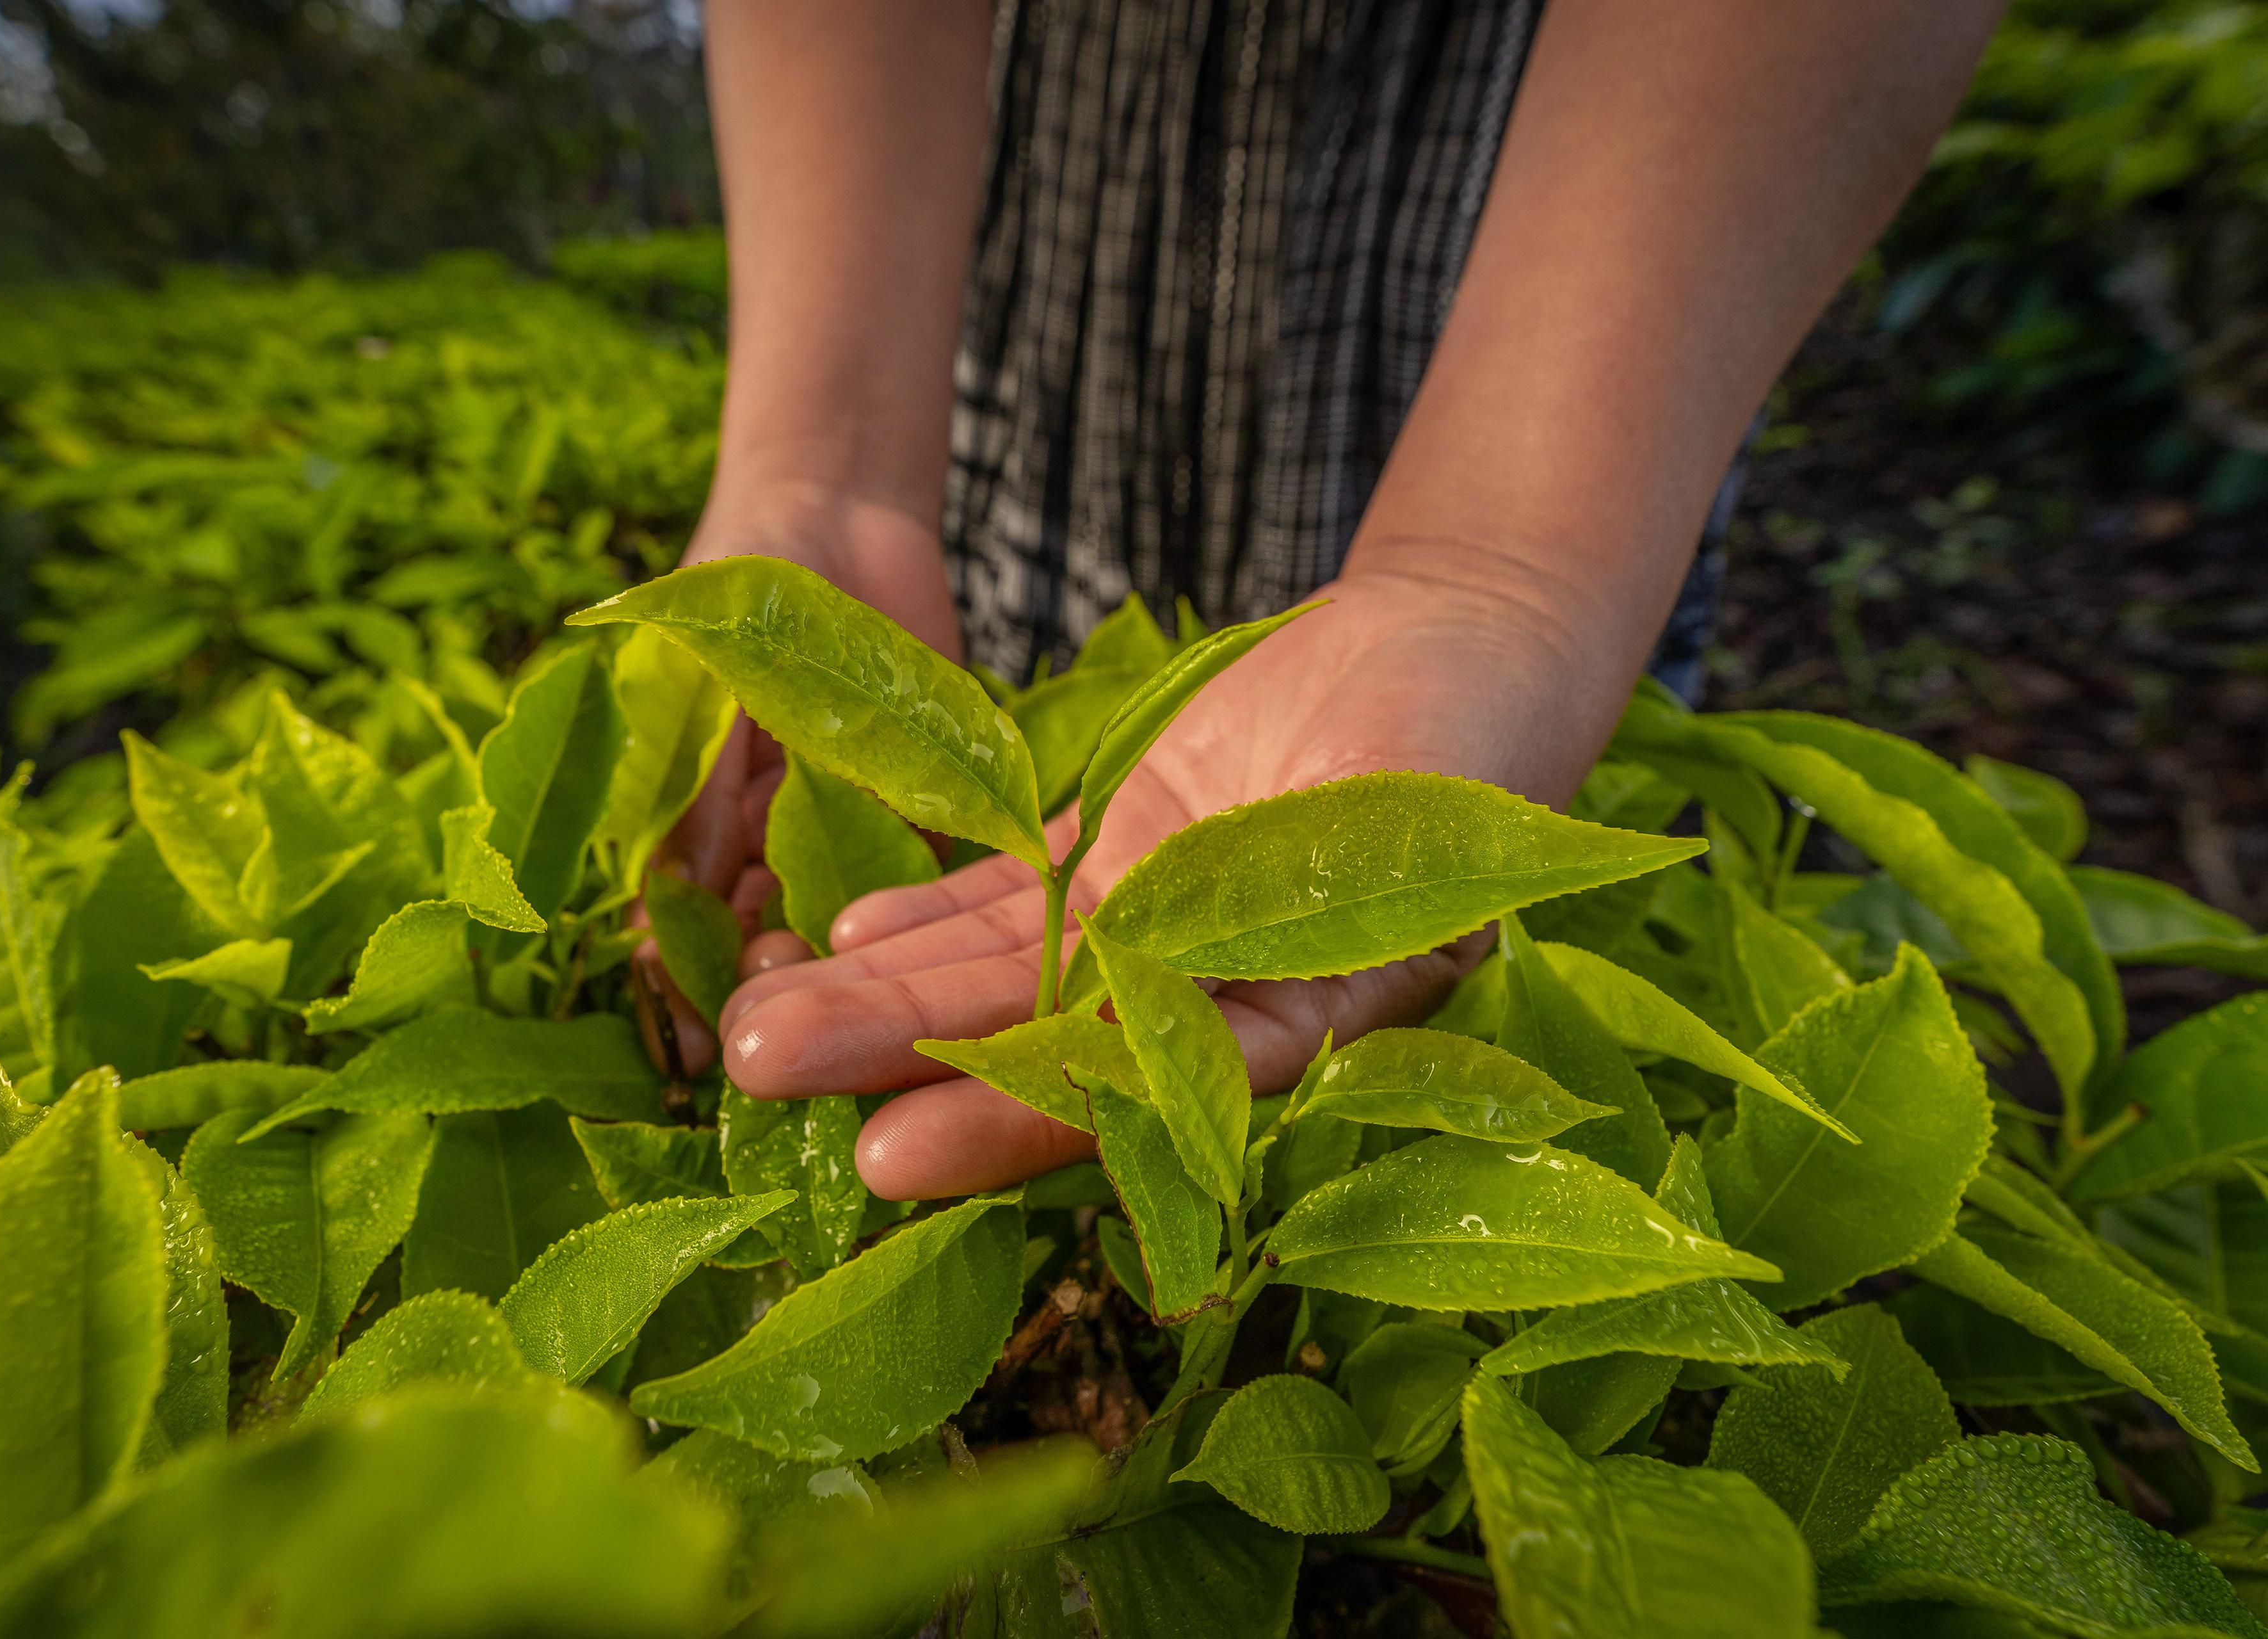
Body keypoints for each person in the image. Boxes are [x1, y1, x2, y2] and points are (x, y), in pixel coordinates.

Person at [656, 0, 2006, 1201]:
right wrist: (826, 467)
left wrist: (1505, 573)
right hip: (1015, 169)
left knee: (1483, 841)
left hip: (1582, 244)